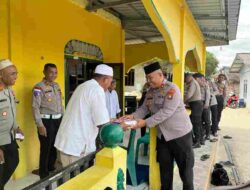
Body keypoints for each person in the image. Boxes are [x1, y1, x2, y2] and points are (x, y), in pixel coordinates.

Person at [121, 62, 194, 190]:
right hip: (163, 137)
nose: (148, 81)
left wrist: (144, 123)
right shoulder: (150, 92)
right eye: (147, 78)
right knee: (165, 170)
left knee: (186, 171)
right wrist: (132, 116)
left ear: (160, 75)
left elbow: (166, 112)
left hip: (180, 135)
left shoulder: (172, 89)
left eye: (150, 78)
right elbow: (144, 109)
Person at [54, 64, 113, 167]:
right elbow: (102, 124)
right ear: (105, 80)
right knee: (76, 181)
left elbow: (87, 113)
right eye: (110, 81)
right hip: (76, 147)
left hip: (65, 142)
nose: (110, 85)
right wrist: (120, 126)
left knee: (65, 181)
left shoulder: (83, 86)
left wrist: (111, 120)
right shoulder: (97, 90)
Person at [32, 63, 64, 179]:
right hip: (46, 121)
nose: (53, 75)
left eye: (55, 72)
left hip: (57, 121)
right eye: (51, 72)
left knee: (54, 146)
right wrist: (40, 125)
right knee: (46, 147)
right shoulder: (39, 87)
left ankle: (51, 167)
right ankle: (43, 174)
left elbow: (60, 104)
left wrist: (63, 119)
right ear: (44, 72)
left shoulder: (57, 86)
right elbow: (35, 107)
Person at [0, 59, 23, 190]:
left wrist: (16, 127)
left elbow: (10, 113)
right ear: (1, 75)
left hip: (10, 137)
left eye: (16, 73)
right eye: (12, 74)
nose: (16, 77)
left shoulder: (9, 91)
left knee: (14, 161)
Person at [184, 73, 203, 148]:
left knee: (196, 123)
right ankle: (198, 140)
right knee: (195, 123)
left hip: (196, 104)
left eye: (185, 79)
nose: (185, 81)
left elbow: (189, 94)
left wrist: (183, 101)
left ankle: (197, 142)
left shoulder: (193, 83)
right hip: (194, 104)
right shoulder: (191, 83)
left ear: (189, 77)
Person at [193, 73, 211, 141]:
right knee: (199, 120)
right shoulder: (195, 85)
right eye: (201, 79)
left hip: (204, 103)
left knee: (207, 120)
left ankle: (208, 134)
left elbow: (208, 95)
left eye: (203, 79)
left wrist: (206, 103)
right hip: (198, 103)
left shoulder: (205, 85)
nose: (202, 80)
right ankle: (201, 136)